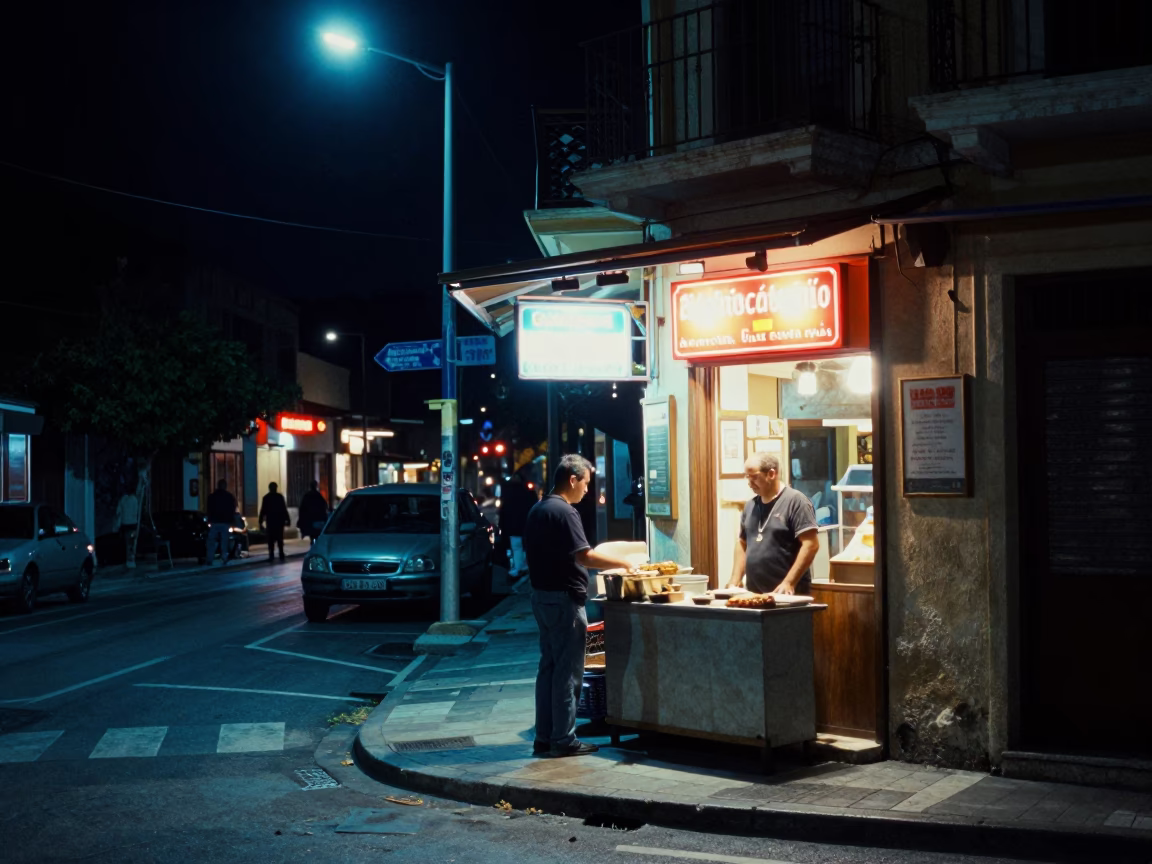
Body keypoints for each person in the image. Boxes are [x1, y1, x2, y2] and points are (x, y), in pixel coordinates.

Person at [524, 454, 635, 758]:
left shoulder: (538, 509)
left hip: (541, 597)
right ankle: (564, 739)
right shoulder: (565, 512)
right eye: (586, 482)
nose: (587, 490)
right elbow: (583, 556)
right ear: (572, 479)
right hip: (564, 601)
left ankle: (543, 736)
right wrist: (625, 561)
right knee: (569, 673)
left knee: (547, 667)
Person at [726, 452, 819, 596]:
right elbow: (742, 543)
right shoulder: (750, 506)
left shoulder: (796, 502)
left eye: (754, 477)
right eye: (747, 477)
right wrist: (735, 580)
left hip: (787, 595)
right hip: (754, 595)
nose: (750, 483)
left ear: (771, 474)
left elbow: (811, 544)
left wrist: (789, 582)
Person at [500, 470, 535, 578]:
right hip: (525, 524)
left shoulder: (508, 492)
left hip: (513, 525)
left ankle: (519, 567)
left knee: (516, 547)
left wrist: (502, 525)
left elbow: (504, 511)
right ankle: (524, 567)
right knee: (526, 546)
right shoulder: (528, 492)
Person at [206, 479, 238, 566]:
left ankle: (210, 558)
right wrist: (232, 519)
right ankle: (224, 558)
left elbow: (209, 508)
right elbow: (232, 508)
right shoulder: (229, 496)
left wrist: (209, 519)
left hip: (215, 521)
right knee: (224, 541)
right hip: (224, 521)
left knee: (212, 540)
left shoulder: (212, 496)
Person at [258, 482, 290, 563]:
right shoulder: (279, 497)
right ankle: (281, 554)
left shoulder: (266, 498)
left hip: (271, 521)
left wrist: (260, 522)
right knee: (279, 538)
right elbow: (284, 509)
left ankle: (272, 554)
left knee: (271, 539)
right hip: (279, 521)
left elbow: (263, 511)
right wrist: (287, 519)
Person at [112, 490, 140, 569]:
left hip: (125, 524)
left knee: (127, 542)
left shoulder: (123, 499)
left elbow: (118, 512)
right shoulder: (134, 499)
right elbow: (136, 511)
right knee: (131, 542)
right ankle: (131, 559)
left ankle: (127, 559)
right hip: (133, 524)